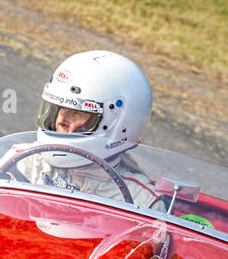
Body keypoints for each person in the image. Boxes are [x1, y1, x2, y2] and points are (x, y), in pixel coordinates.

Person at [9, 50, 162, 208]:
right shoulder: (23, 162)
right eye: (59, 108)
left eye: (76, 112)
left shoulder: (142, 201)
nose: (61, 120)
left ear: (121, 123)